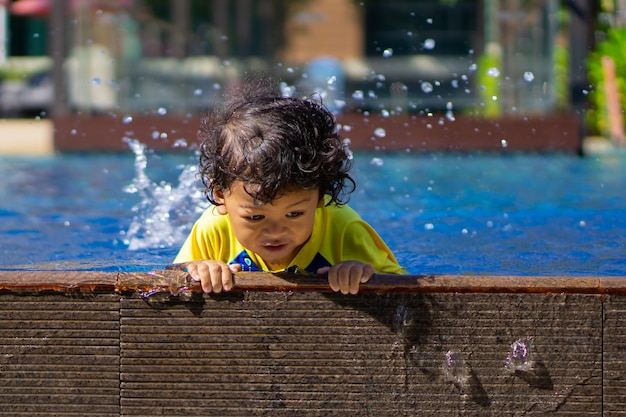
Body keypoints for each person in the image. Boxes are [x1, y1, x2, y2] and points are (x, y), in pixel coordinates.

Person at [174, 74, 405, 294]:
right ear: (220, 197)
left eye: (294, 214)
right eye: (256, 217)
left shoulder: (344, 227)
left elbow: (404, 287)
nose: (276, 232)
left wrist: (363, 272)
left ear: (320, 197)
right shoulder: (214, 227)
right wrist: (196, 269)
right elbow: (172, 275)